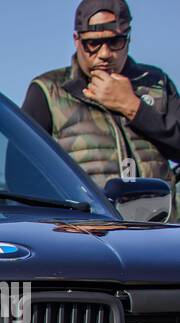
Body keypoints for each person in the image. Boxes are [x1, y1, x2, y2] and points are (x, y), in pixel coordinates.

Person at [22, 0, 180, 216]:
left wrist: (133, 107)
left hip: (158, 230)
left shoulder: (156, 83)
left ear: (128, 38)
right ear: (76, 40)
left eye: (115, 41)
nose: (105, 53)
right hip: (87, 233)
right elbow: (21, 173)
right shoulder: (49, 90)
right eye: (93, 43)